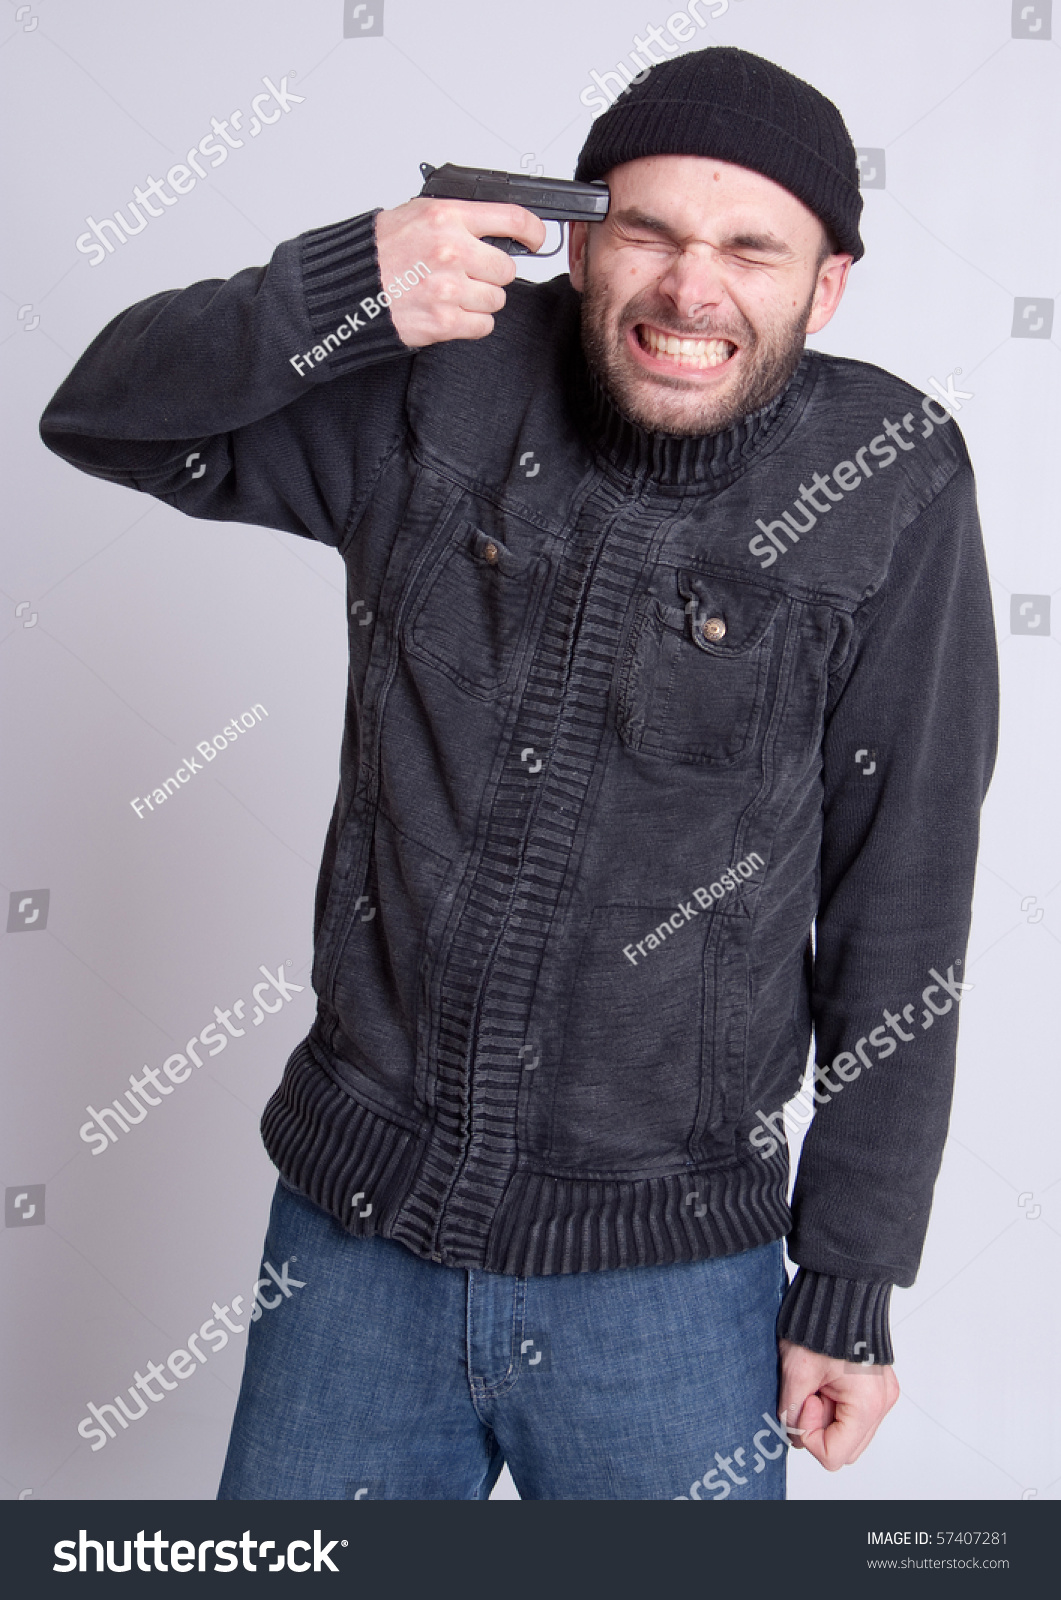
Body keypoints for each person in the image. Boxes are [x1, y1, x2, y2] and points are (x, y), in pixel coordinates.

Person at [40, 46, 998, 1500]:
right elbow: (101, 416)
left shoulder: (892, 479)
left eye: (751, 248)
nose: (691, 288)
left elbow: (904, 897)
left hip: (673, 1291)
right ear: (574, 233)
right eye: (649, 231)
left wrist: (849, 1282)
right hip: (352, 1251)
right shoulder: (440, 387)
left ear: (827, 283)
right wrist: (343, 286)